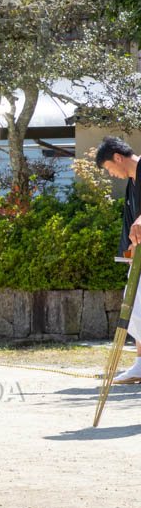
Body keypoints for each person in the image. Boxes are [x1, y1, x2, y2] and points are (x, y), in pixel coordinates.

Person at [96, 136, 141, 383]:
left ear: (117, 157)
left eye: (109, 168)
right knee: (134, 307)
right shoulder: (132, 184)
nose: (111, 174)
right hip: (140, 257)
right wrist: (130, 251)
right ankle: (140, 363)